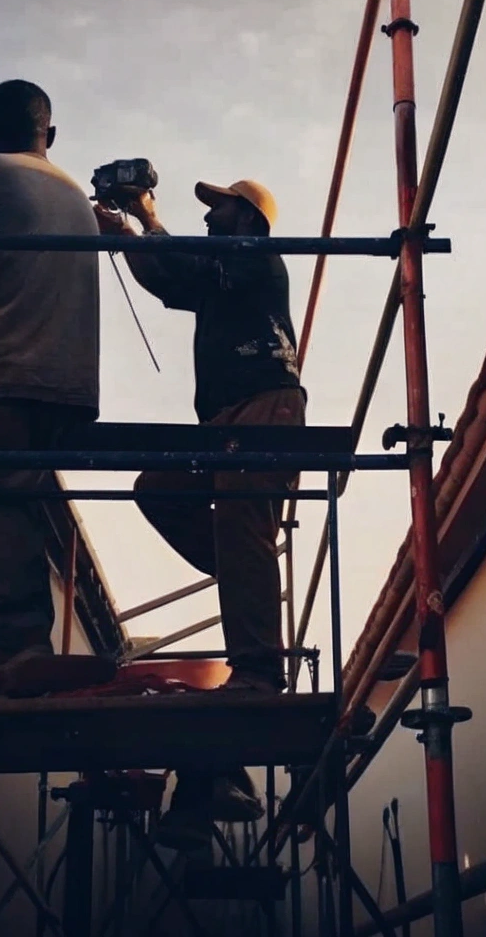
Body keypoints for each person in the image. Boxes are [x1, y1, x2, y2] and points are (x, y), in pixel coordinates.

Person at [94, 177, 304, 848]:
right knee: (159, 489)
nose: (211, 216)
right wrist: (130, 234)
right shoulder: (221, 274)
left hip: (265, 403)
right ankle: (248, 579)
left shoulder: (254, 259)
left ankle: (260, 670)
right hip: (225, 417)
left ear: (250, 217)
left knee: (243, 523)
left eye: (221, 207)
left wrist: (145, 218)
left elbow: (184, 264)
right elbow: (170, 278)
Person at [0, 79, 116, 698]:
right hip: (69, 389)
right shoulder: (76, 196)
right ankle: (25, 641)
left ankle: (22, 641)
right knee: (16, 496)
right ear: (51, 135)